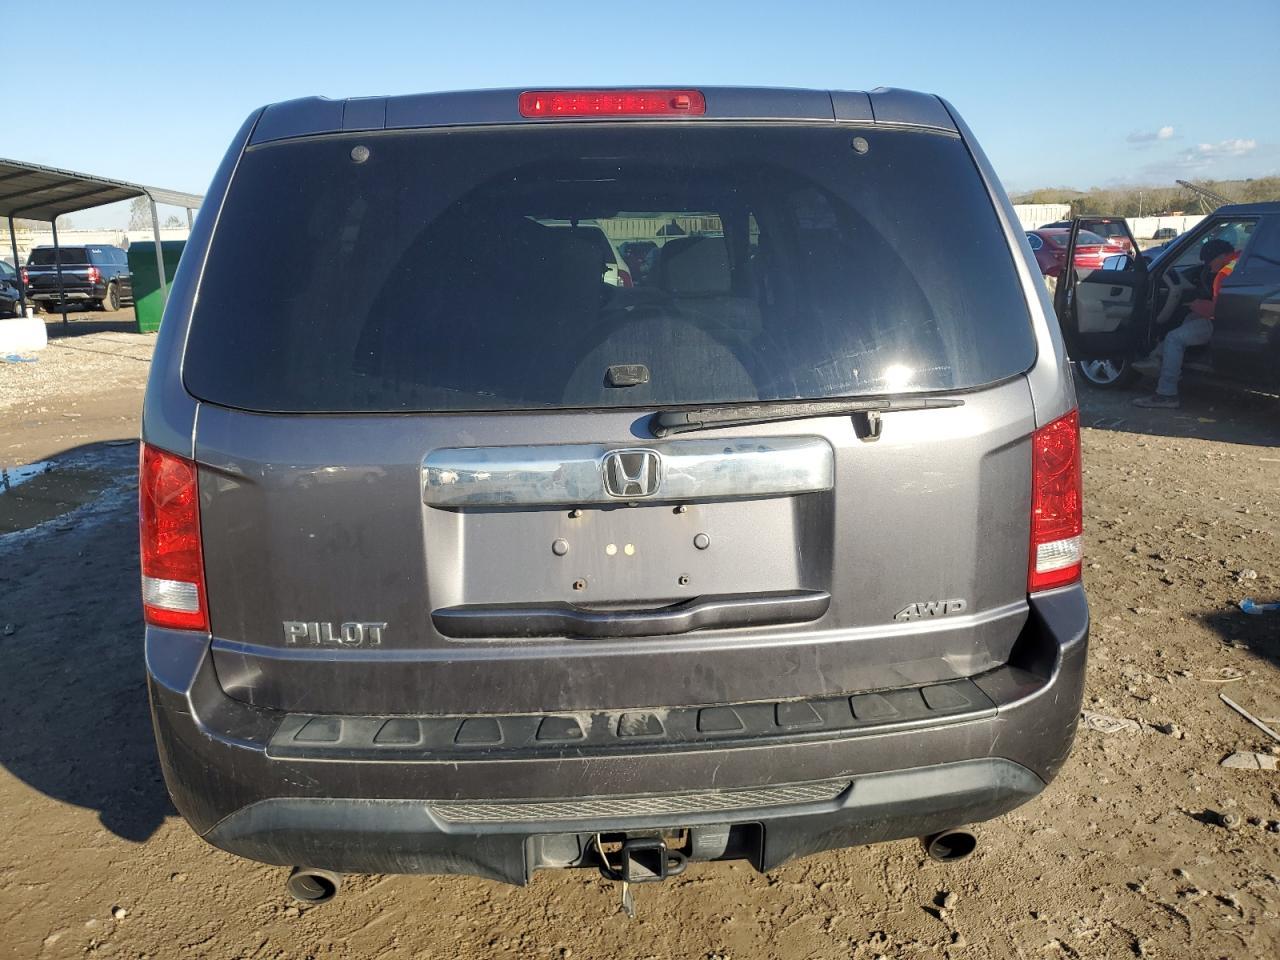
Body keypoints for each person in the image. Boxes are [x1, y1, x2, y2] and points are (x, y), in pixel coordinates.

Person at [1133, 238, 1239, 409]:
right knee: (1190, 318)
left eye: (1209, 261)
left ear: (1220, 256)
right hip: (1240, 321)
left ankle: (1166, 394)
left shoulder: (1224, 273)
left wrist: (1198, 305)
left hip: (1224, 325)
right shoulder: (1242, 260)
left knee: (1174, 338)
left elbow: (1217, 311)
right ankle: (1158, 357)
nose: (1208, 266)